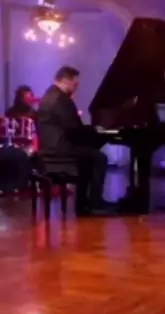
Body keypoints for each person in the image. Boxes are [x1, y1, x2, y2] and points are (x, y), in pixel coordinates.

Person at [36, 66, 110, 216]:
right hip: (60, 149)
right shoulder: (61, 100)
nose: (76, 88)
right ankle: (95, 203)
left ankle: (83, 203)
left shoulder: (49, 95)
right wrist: (96, 132)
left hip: (50, 148)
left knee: (89, 156)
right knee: (99, 158)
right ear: (66, 81)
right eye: (75, 84)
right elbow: (73, 129)